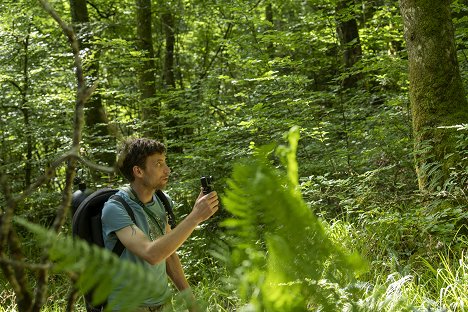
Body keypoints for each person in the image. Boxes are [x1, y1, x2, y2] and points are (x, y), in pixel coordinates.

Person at [101, 138, 219, 311]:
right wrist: (195, 217)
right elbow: (152, 254)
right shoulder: (115, 208)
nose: (167, 170)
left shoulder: (162, 202)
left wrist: (191, 303)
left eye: (165, 162)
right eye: (158, 164)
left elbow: (168, 255)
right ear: (138, 171)